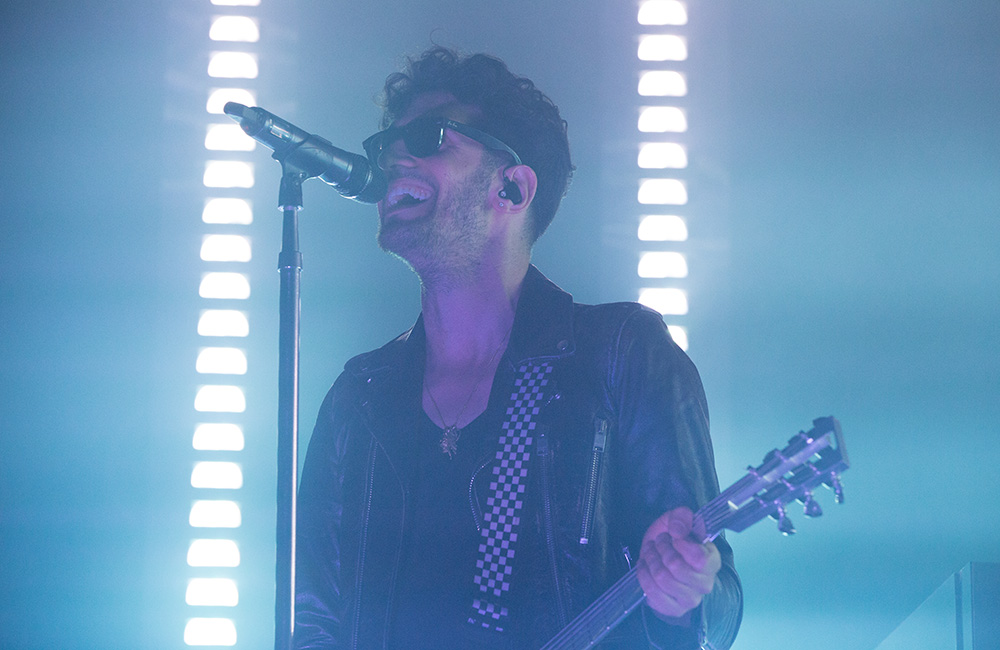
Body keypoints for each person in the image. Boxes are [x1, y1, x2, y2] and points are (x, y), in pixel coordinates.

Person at [294, 46, 742, 650]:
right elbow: (315, 619)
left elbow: (717, 605)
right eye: (385, 145)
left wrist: (686, 597)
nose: (392, 155)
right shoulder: (360, 395)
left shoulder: (621, 355)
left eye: (429, 137)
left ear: (512, 187)